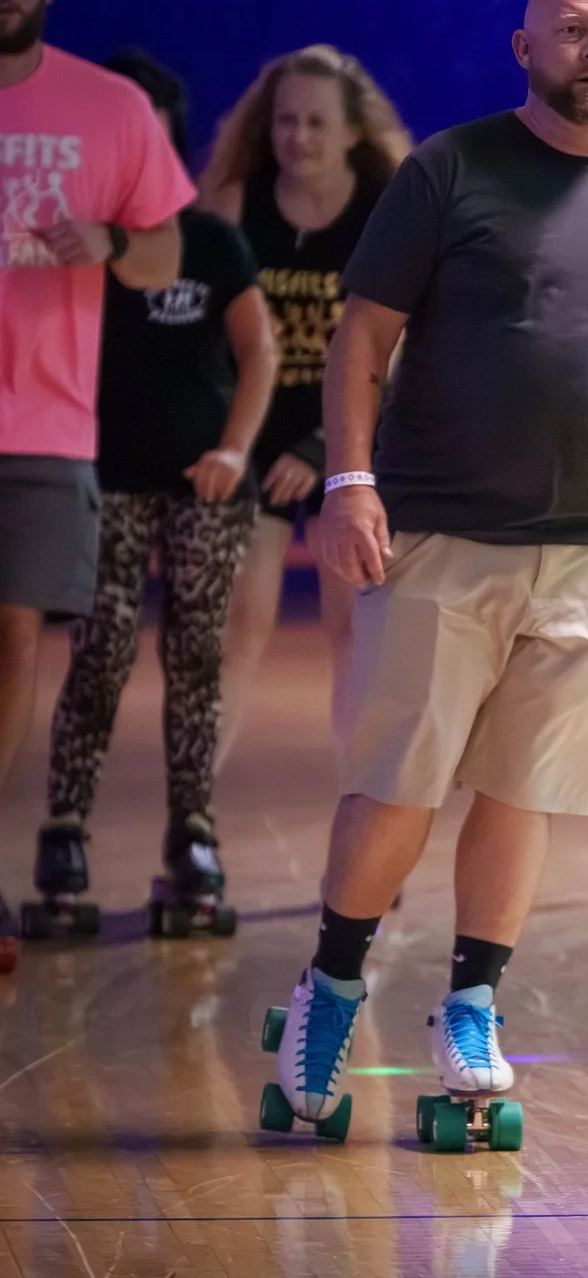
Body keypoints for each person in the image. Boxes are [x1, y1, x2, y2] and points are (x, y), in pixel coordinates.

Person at [263, 0, 588, 1142]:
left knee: (526, 790)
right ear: (522, 45)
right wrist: (352, 479)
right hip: (439, 537)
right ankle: (328, 986)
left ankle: (471, 1002)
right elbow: (365, 334)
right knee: (397, 789)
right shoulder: (448, 171)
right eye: (572, 30)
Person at [34, 50, 277, 941]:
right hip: (104, 475)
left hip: (202, 480)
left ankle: (193, 833)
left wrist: (232, 449)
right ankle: (64, 832)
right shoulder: (75, 240)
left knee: (196, 656)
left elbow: (260, 354)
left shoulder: (212, 242)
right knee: (96, 656)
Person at [0, 0, 192, 970]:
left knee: (15, 632)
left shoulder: (108, 106)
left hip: (42, 419)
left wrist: (111, 236)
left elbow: (165, 256)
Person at [200, 45, 411, 760]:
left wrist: (323, 446)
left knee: (354, 632)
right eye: (287, 121)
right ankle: (190, 824)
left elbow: (403, 348)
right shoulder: (232, 207)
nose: (300, 137)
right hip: (255, 440)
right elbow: (200, 341)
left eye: (318, 122)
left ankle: (365, 818)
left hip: (353, 446)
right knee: (235, 628)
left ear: (352, 131)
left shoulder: (388, 209)